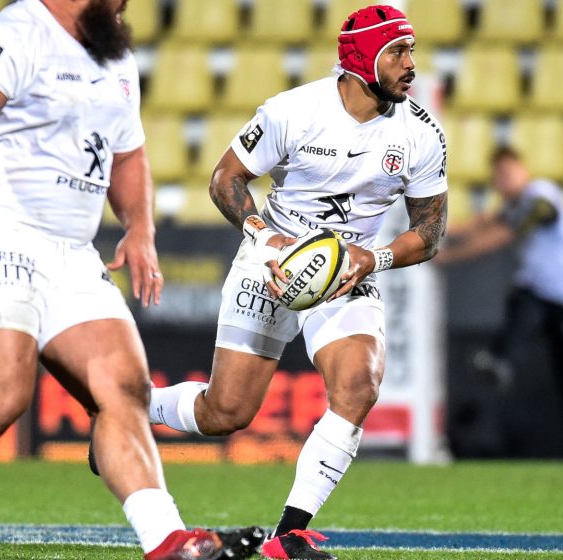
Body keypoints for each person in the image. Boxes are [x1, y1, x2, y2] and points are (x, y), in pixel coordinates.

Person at [0, 1, 262, 559]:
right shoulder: (16, 33)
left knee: (123, 390)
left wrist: (140, 229)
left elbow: (128, 153)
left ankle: (167, 541)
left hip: (70, 251)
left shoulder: (113, 55)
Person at [137, 5, 447, 559]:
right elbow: (225, 178)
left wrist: (370, 259)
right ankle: (133, 412)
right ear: (359, 60)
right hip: (271, 261)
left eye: (411, 51)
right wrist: (264, 237)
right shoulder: (293, 111)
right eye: (397, 52)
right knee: (226, 413)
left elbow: (430, 231)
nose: (410, 65)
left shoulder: (423, 134)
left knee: (359, 385)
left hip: (349, 269)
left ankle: (289, 537)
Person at [435, 146, 563, 457]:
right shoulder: (516, 205)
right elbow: (479, 225)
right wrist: (428, 231)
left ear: (524, 170)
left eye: (509, 172)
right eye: (499, 176)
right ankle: (501, 357)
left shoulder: (542, 198)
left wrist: (448, 257)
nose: (504, 181)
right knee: (523, 296)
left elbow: (501, 235)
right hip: (540, 290)